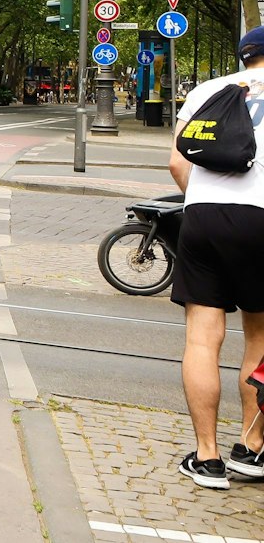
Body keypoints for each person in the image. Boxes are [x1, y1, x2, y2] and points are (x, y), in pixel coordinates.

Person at [167, 25, 264, 489]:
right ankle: (251, 448)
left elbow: (177, 162)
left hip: (203, 216)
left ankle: (207, 458)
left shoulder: (208, 90)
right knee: (259, 337)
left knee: (203, 339)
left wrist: (203, 201)